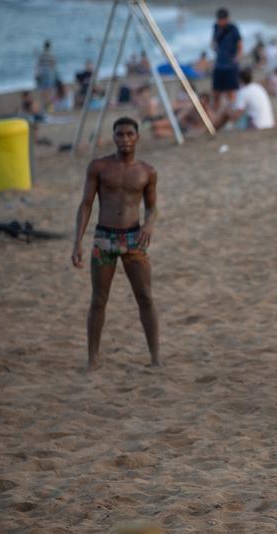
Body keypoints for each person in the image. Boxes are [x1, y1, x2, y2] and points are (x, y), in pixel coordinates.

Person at [71, 117, 160, 371]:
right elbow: (86, 204)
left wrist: (149, 224)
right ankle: (93, 359)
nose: (124, 139)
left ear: (137, 138)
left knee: (145, 297)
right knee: (98, 300)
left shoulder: (147, 171)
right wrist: (77, 241)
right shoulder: (99, 167)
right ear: (114, 137)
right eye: (119, 135)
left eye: (129, 134)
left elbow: (152, 207)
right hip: (104, 238)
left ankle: (155, 359)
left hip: (134, 238)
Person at [211, 8, 243, 110]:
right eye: (219, 19)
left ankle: (232, 112)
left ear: (227, 19)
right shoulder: (216, 27)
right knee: (216, 92)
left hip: (230, 65)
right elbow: (213, 42)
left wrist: (236, 58)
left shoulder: (233, 29)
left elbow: (240, 45)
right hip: (219, 64)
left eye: (222, 19)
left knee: (231, 91)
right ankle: (215, 114)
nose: (220, 21)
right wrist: (215, 49)